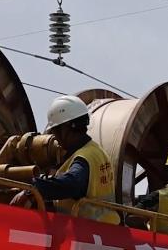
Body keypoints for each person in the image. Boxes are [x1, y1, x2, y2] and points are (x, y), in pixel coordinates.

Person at [11, 95, 118, 224]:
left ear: (66, 128)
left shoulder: (83, 157)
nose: (55, 137)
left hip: (88, 230)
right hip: (106, 229)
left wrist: (34, 189)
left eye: (55, 131)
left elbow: (71, 184)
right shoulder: (97, 151)